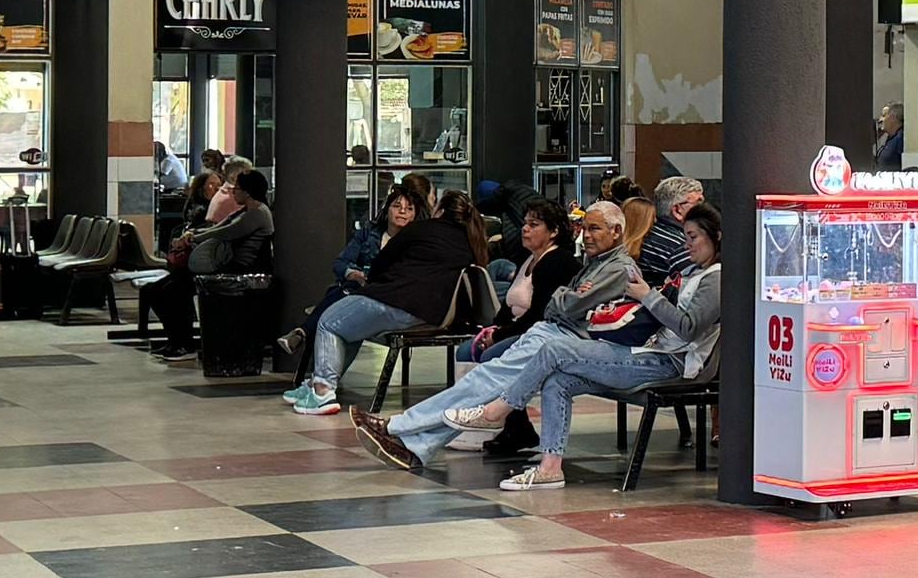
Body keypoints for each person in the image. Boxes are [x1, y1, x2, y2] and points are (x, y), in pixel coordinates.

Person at [366, 200, 650, 476]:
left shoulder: (616, 268)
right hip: (553, 332)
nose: (587, 235)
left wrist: (567, 297)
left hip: (566, 339)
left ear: (616, 231)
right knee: (484, 384)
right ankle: (418, 445)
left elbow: (566, 305)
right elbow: (558, 303)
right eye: (585, 228)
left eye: (595, 229)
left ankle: (397, 427)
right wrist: (568, 297)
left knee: (484, 382)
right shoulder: (594, 263)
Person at [286, 179, 475, 414]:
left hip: (395, 301)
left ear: (441, 211)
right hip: (433, 313)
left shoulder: (421, 230)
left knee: (328, 321)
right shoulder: (469, 242)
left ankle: (323, 392)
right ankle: (317, 384)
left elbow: (381, 264)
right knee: (349, 329)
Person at [144, 166, 276, 355]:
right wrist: (192, 234)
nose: (232, 191)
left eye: (236, 188)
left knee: (173, 290)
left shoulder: (258, 213)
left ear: (247, 192)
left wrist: (194, 237)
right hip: (225, 266)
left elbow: (226, 232)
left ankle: (182, 342)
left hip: (235, 270)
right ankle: (176, 339)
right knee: (156, 290)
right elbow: (221, 226)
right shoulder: (244, 211)